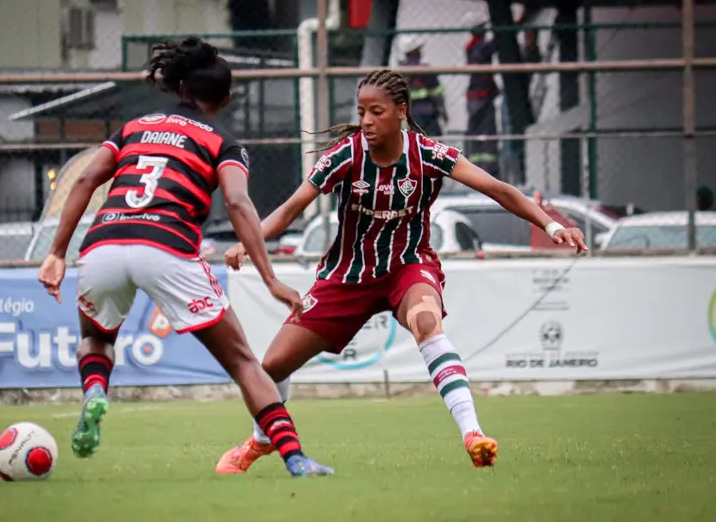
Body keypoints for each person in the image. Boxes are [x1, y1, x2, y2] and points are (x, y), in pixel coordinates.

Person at [214, 68, 588, 474]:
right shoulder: (344, 156)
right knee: (272, 368)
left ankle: (473, 434)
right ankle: (262, 440)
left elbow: (500, 190)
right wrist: (248, 245)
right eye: (361, 112)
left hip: (408, 267)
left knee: (427, 322)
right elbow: (290, 210)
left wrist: (552, 225)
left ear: (402, 111)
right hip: (348, 276)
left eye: (377, 111)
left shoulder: (429, 154)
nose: (367, 121)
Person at [37, 37, 333, 478]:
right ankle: (295, 458)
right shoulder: (224, 143)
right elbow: (237, 202)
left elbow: (84, 182)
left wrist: (56, 253)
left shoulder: (133, 128)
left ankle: (96, 390)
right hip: (167, 247)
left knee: (97, 339)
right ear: (227, 99)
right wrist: (270, 278)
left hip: (103, 244)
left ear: (177, 87)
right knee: (242, 362)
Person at [463, 12, 500, 178]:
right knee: (487, 129)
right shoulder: (479, 47)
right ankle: (487, 167)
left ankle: (477, 165)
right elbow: (497, 43)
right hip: (482, 94)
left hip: (477, 94)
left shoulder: (471, 47)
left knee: (476, 130)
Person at [398, 36, 448, 137]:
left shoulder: (400, 72)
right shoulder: (426, 70)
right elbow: (437, 93)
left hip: (410, 114)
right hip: (428, 112)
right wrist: (443, 112)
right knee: (434, 143)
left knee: (415, 143)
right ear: (415, 52)